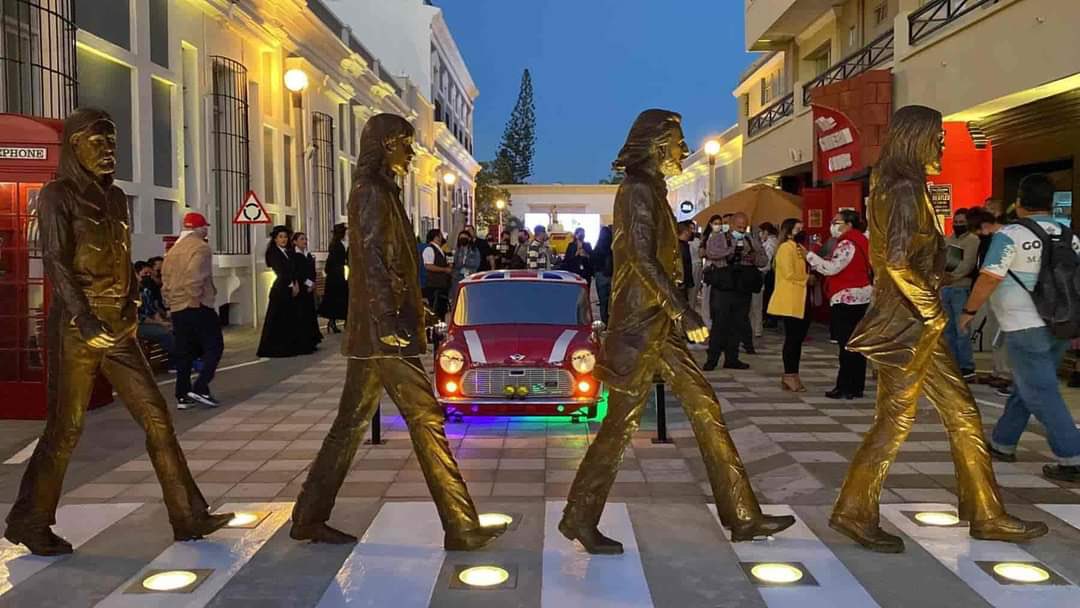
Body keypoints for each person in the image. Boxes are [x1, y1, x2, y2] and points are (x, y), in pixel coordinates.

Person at [560, 109, 794, 556]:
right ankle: (580, 516)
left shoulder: (651, 189)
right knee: (618, 427)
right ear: (654, 144)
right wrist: (683, 311)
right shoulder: (637, 191)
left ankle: (742, 515)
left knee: (703, 406)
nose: (684, 151)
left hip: (657, 328)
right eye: (677, 142)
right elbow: (641, 259)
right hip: (640, 327)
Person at [3, 108, 232, 556]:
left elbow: (123, 259)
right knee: (65, 428)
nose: (109, 152)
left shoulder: (117, 198)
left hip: (119, 326)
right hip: (76, 326)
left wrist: (128, 307)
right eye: (97, 143)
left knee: (157, 417)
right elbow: (55, 262)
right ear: (74, 147)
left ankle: (188, 515)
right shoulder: (56, 197)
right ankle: (30, 520)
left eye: (112, 143)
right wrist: (85, 319)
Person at [833, 105, 1045, 553]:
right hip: (909, 324)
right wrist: (931, 310)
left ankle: (985, 512)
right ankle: (855, 510)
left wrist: (935, 274)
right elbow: (893, 260)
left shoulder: (894, 184)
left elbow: (905, 257)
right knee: (896, 420)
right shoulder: (905, 187)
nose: (944, 147)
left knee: (962, 414)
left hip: (915, 321)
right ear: (916, 139)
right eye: (939, 139)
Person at [291, 113, 505, 550]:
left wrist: (416, 309)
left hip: (378, 331)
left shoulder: (384, 190)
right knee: (426, 418)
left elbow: (394, 264)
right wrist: (390, 321)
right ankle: (460, 525)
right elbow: (370, 261)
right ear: (386, 145)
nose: (411, 151)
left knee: (349, 424)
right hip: (381, 334)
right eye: (405, 143)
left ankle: (308, 516)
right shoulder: (371, 192)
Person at [961, 173, 1080, 483]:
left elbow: (989, 277)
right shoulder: (1070, 235)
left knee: (1041, 391)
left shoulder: (1010, 235)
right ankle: (1003, 441)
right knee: (1029, 385)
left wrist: (968, 311)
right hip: (1060, 323)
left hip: (1023, 323)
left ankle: (1073, 456)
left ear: (1018, 203)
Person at [162, 211, 225, 409]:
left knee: (184, 351)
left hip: (177, 306)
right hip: (196, 304)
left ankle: (182, 395)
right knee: (214, 346)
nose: (206, 230)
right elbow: (195, 275)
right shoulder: (201, 248)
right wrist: (195, 298)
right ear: (199, 228)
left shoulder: (173, 250)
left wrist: (170, 301)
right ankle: (200, 387)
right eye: (204, 227)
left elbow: (165, 278)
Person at [807, 209, 872, 399]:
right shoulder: (862, 240)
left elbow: (832, 268)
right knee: (856, 344)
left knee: (846, 344)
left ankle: (845, 386)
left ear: (849, 224)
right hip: (862, 296)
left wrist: (810, 256)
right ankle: (856, 386)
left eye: (837, 222)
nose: (833, 226)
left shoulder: (847, 243)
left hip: (846, 298)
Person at [703, 211, 766, 370]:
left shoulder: (750, 239)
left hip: (742, 287)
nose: (742, 230)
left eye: (744, 227)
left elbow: (763, 260)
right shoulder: (718, 238)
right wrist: (731, 251)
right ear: (731, 225)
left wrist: (752, 257)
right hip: (723, 287)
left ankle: (732, 358)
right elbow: (711, 253)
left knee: (738, 323)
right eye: (739, 227)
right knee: (720, 324)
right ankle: (712, 359)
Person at [967, 207, 1012, 394]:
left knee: (1003, 334)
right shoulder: (989, 239)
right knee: (995, 332)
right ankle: (998, 370)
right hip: (993, 291)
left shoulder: (1003, 238)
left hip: (1004, 290)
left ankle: (1006, 373)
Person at [257, 226, 314, 358]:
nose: (283, 239)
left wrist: (295, 282)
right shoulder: (273, 252)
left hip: (290, 288)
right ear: (275, 239)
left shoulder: (287, 252)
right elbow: (281, 271)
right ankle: (273, 348)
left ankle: (289, 346)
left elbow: (294, 269)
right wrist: (292, 283)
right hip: (280, 290)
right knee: (276, 319)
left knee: (288, 320)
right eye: (280, 237)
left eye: (285, 237)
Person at [768, 218, 811, 392]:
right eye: (797, 229)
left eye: (802, 228)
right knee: (792, 338)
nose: (801, 231)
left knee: (798, 339)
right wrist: (808, 279)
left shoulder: (800, 248)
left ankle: (794, 374)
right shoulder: (786, 248)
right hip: (790, 298)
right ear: (789, 231)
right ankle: (789, 374)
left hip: (801, 296)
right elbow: (789, 273)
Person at [942, 208, 980, 380]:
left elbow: (968, 264)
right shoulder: (947, 239)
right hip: (946, 287)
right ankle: (953, 363)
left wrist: (953, 277)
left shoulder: (972, 240)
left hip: (961, 287)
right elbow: (941, 260)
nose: (958, 225)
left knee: (961, 328)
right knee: (948, 329)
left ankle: (966, 366)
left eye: (961, 223)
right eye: (956, 222)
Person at [134, 260, 175, 369]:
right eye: (145, 274)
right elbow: (139, 318)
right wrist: (159, 323)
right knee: (165, 332)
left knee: (175, 327)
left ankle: (177, 358)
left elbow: (153, 310)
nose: (148, 277)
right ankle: (177, 360)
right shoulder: (131, 292)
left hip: (149, 322)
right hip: (136, 325)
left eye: (149, 274)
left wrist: (162, 322)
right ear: (136, 274)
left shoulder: (146, 290)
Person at [291, 231, 323, 349]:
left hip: (310, 288)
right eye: (301, 239)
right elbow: (299, 273)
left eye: (305, 239)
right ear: (295, 242)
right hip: (302, 288)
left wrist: (313, 283)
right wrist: (309, 284)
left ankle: (312, 339)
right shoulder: (294, 256)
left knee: (310, 313)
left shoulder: (308, 254)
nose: (304, 241)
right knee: (301, 314)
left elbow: (311, 271)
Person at [319, 223, 348, 334]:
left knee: (337, 298)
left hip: (335, 274)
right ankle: (335, 322)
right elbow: (334, 260)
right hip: (336, 275)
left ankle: (333, 322)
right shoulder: (337, 245)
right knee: (339, 298)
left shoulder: (336, 244)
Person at [421, 228, 452, 320]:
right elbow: (428, 266)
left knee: (442, 309)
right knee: (436, 310)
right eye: (440, 235)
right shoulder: (429, 249)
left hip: (442, 285)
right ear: (436, 237)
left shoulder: (441, 250)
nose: (442, 237)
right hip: (434, 286)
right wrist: (444, 269)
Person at [699, 215, 723, 326]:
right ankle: (706, 322)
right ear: (711, 224)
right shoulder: (706, 237)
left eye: (720, 223)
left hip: (720, 269)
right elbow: (701, 253)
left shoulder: (723, 237)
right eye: (716, 223)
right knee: (706, 297)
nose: (718, 226)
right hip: (709, 269)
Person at [758, 222, 780, 329]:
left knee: (769, 295)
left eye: (761, 232)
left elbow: (767, 259)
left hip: (770, 272)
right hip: (770, 271)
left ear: (766, 232)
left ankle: (771, 319)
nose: (760, 234)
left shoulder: (771, 242)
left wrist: (760, 269)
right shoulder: (770, 241)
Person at [592, 225, 614, 324]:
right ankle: (612, 321)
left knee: (603, 302)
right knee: (612, 301)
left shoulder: (598, 248)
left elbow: (592, 261)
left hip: (600, 276)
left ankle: (604, 322)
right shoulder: (613, 247)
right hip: (612, 276)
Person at [451, 230, 480, 294]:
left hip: (470, 277)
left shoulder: (475, 250)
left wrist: (466, 267)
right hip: (457, 278)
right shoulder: (457, 251)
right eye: (461, 238)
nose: (462, 240)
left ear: (469, 239)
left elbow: (477, 264)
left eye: (464, 238)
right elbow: (454, 264)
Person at [676, 221, 695, 304]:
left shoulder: (683, 245)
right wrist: (683, 282)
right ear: (686, 231)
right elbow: (682, 265)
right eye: (691, 230)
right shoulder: (681, 247)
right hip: (680, 284)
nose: (692, 232)